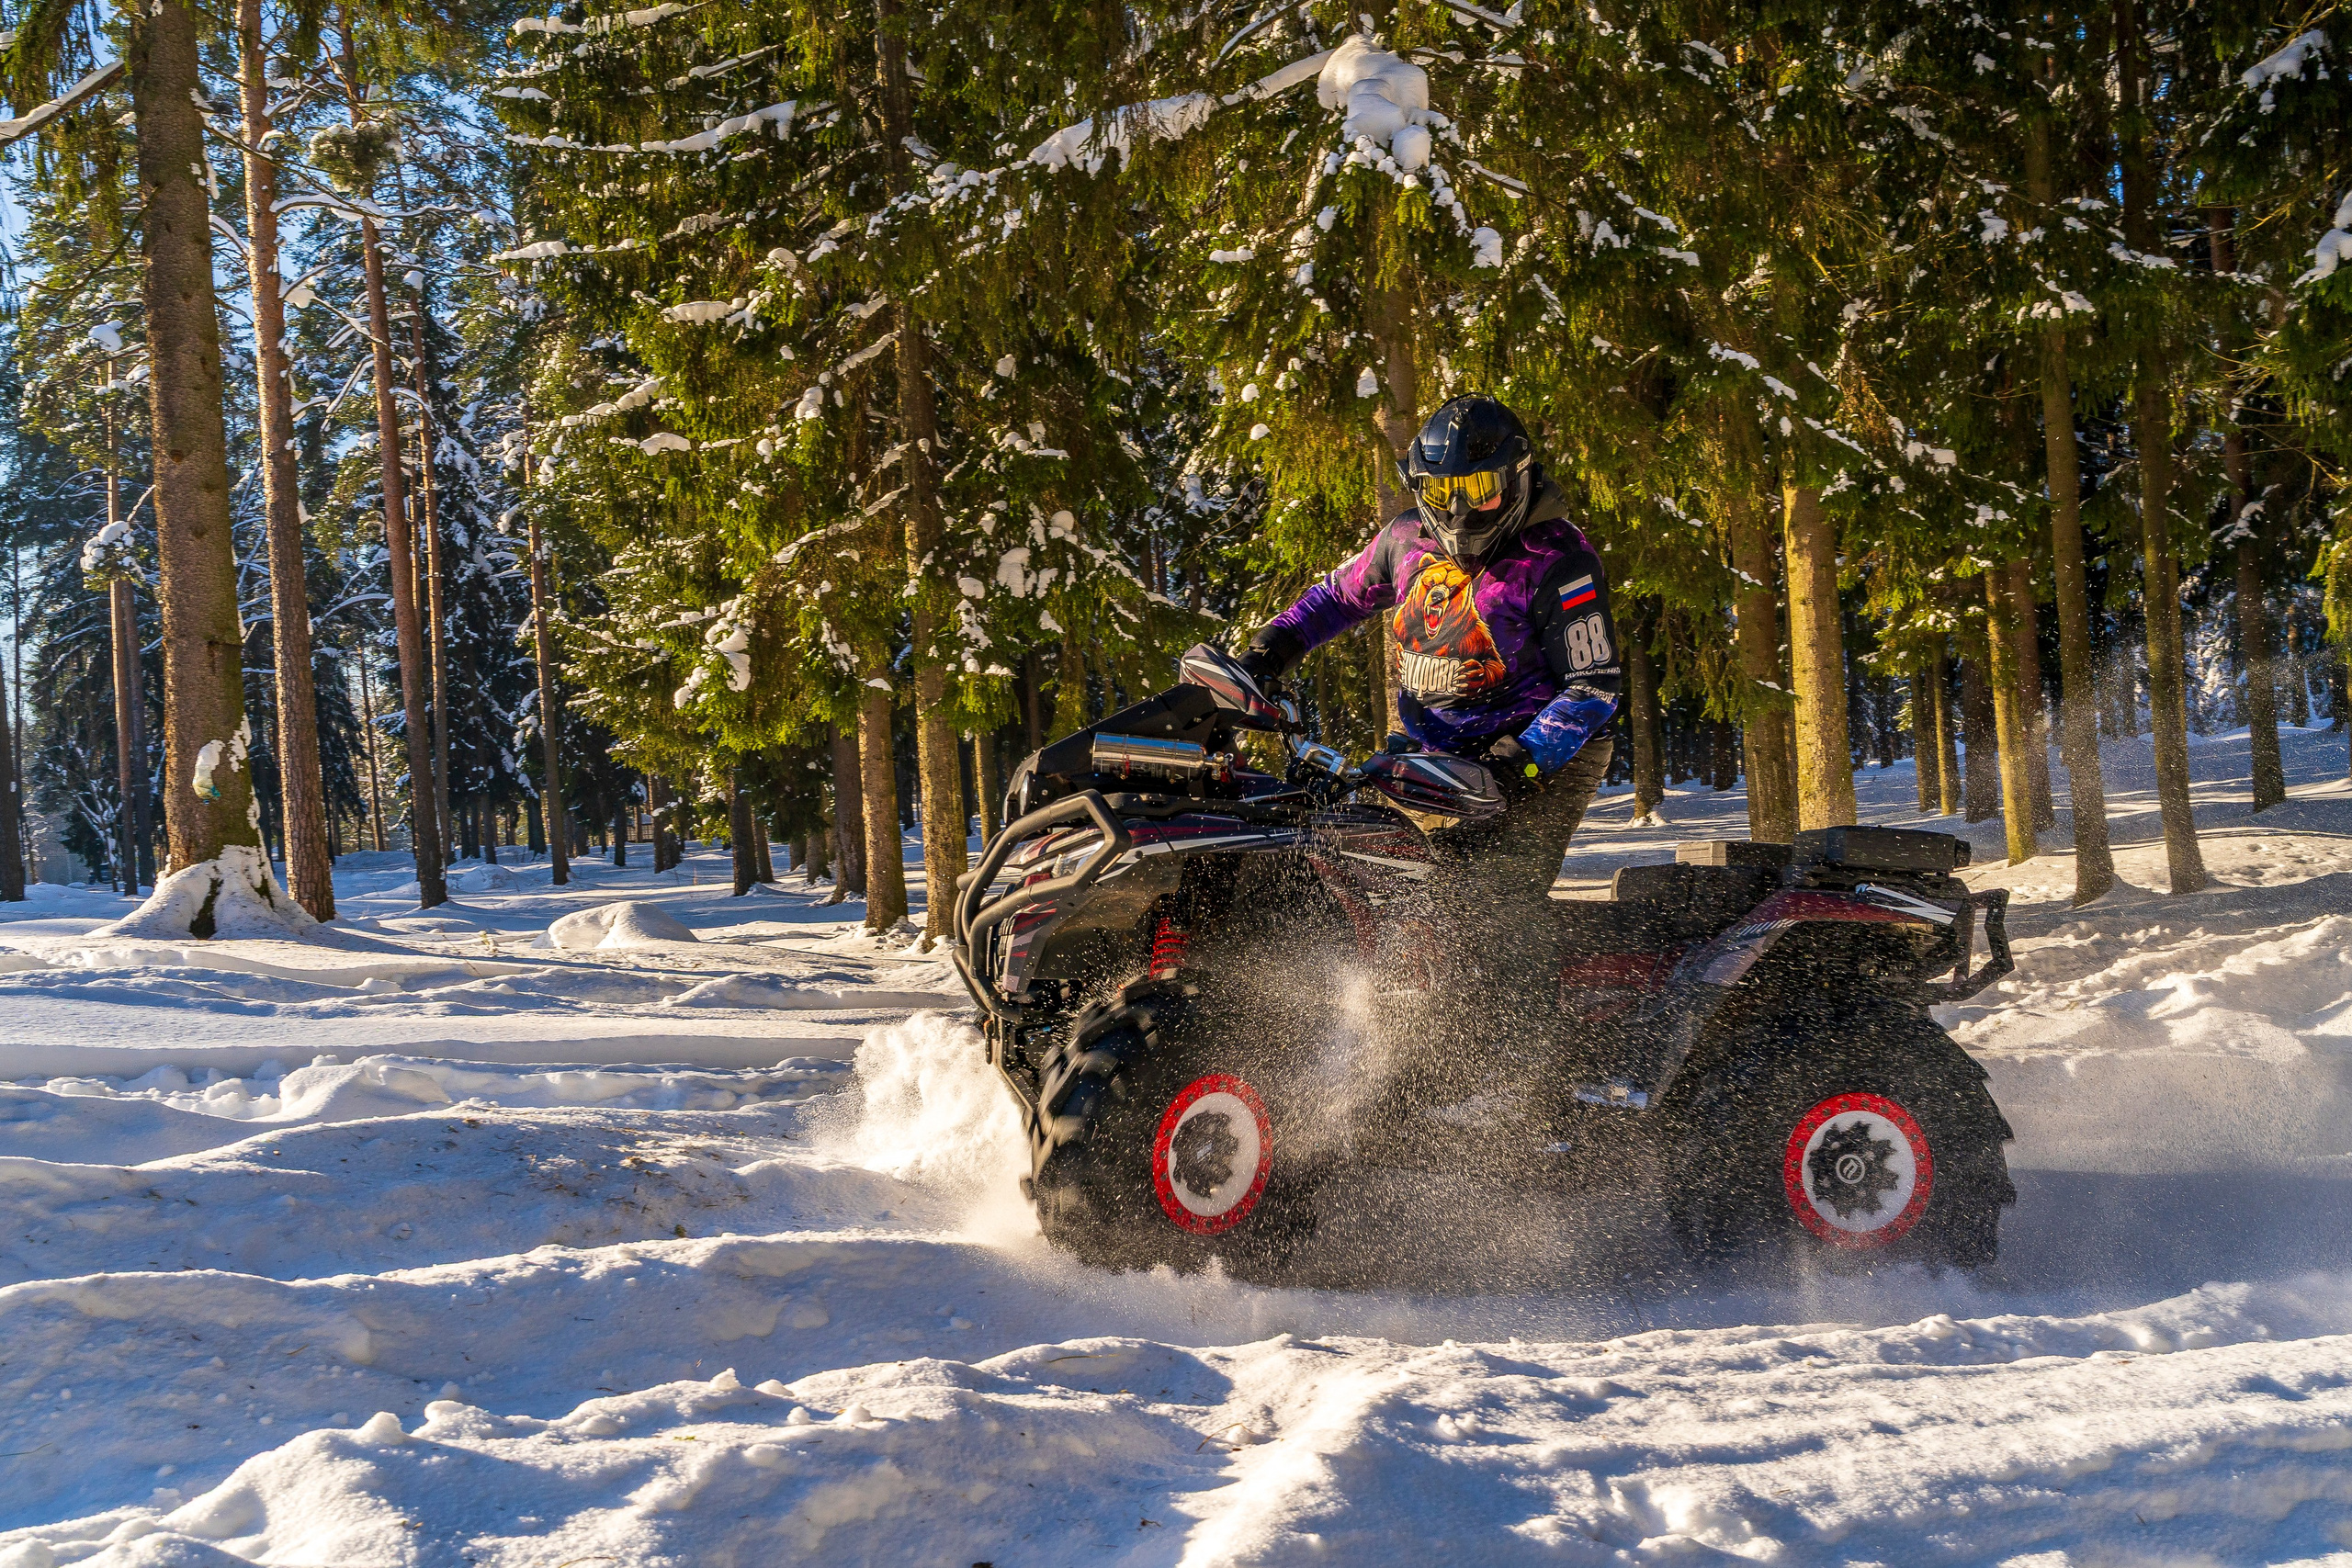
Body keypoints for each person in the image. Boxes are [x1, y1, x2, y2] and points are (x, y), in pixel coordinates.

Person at [1237, 394, 1622, 951]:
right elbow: (1334, 600)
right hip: (1432, 753)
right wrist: (1270, 650)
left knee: (1484, 919)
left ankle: (1527, 1029)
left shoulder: (1557, 560)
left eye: (1480, 491)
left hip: (1542, 758)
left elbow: (1593, 686)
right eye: (1443, 492)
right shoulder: (1403, 539)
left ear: (1517, 481)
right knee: (1377, 886)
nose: (1461, 511)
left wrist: (1520, 761)